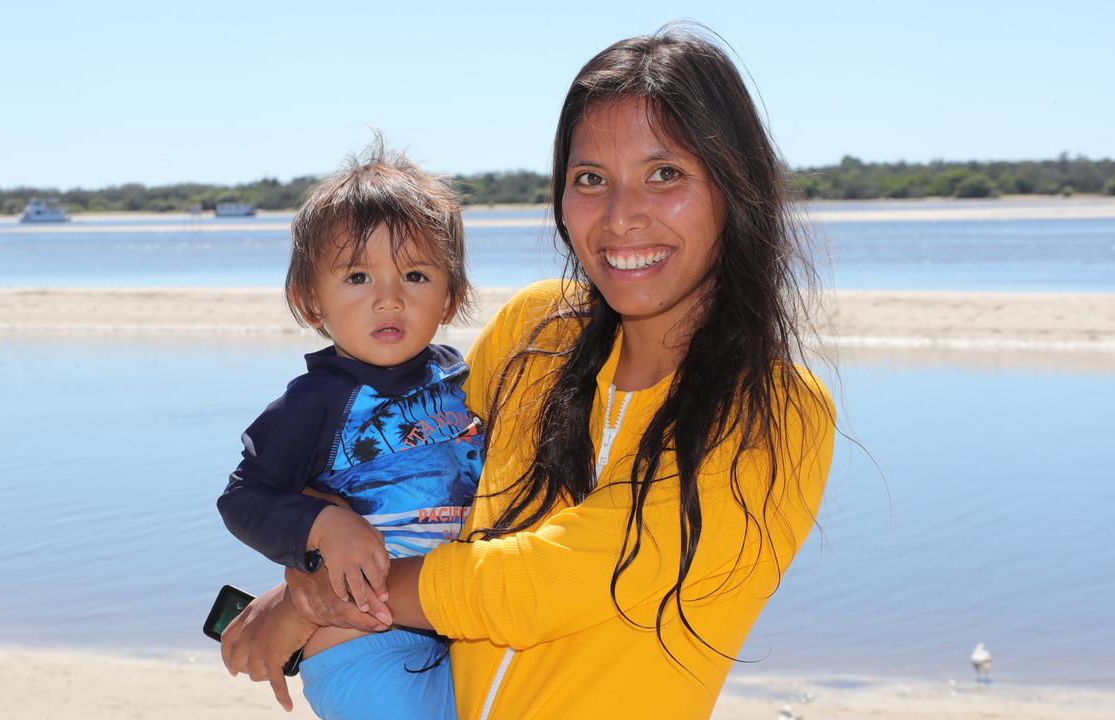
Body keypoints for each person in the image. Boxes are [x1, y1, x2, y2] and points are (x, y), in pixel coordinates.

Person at [223, 26, 836, 719]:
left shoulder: (773, 410)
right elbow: (403, 461)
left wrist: (323, 600)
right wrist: (314, 550)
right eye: (590, 179)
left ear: (736, 189)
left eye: (665, 173)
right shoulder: (536, 333)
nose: (621, 215)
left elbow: (533, 586)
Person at [216, 139, 483, 719]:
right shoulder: (317, 401)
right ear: (310, 299)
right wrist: (321, 524)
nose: (388, 299)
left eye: (415, 274)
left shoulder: (462, 381)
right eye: (358, 277)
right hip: (362, 648)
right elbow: (243, 497)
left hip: (462, 630)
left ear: (452, 294)